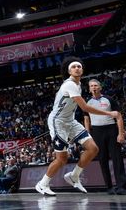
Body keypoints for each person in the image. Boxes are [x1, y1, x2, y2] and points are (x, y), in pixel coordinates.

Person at [35, 57, 120, 196]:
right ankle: (43, 184)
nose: (77, 68)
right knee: (62, 158)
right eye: (74, 67)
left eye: (79, 66)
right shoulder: (69, 85)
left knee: (93, 148)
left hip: (70, 120)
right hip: (58, 122)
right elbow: (85, 107)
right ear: (69, 71)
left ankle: (74, 176)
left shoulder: (79, 84)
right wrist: (109, 113)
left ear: (82, 70)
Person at [84, 78, 126, 195]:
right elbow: (86, 120)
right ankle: (109, 187)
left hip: (111, 129)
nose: (93, 87)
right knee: (102, 159)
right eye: (91, 86)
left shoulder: (109, 99)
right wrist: (87, 136)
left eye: (95, 85)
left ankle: (121, 187)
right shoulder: (87, 103)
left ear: (100, 87)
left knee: (117, 158)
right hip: (97, 132)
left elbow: (118, 117)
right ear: (89, 89)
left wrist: (121, 133)